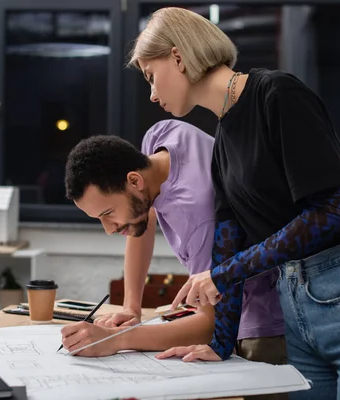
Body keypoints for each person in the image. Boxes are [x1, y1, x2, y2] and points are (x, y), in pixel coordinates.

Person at [126, 6, 340, 400]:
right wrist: (219, 342)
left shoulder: (277, 94)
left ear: (178, 57)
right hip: (297, 313)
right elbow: (227, 246)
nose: (151, 93)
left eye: (151, 76)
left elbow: (332, 214)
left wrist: (222, 273)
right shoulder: (223, 145)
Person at [62, 120, 286, 372]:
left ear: (134, 181)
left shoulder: (200, 217)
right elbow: (143, 217)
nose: (109, 229)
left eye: (109, 213)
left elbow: (209, 324)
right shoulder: (163, 136)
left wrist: (114, 339)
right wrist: (130, 307)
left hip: (260, 326)